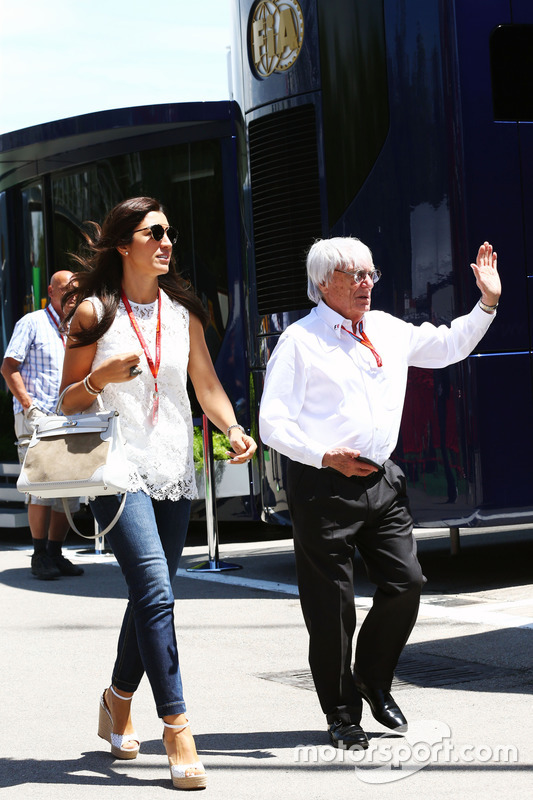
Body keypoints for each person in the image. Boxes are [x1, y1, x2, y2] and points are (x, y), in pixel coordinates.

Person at [259, 236, 501, 749]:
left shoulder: (388, 329)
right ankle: (342, 714)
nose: (366, 284)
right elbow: (271, 424)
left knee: (407, 580)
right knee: (332, 608)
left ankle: (372, 677)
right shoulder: (300, 342)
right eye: (354, 275)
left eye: (371, 274)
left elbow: (450, 345)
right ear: (324, 283)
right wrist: (325, 456)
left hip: (380, 478)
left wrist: (488, 302)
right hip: (323, 483)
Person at [59, 196, 256, 790]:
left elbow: (206, 384)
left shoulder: (183, 313)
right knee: (152, 585)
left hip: (172, 464)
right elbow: (67, 399)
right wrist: (99, 377)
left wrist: (233, 429)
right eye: (154, 233)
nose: (167, 241)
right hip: (116, 469)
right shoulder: (94, 312)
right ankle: (177, 725)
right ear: (124, 244)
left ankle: (118, 700)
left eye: (169, 232)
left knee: (155, 592)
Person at [1, 270, 83, 580]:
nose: (71, 297)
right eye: (66, 290)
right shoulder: (32, 322)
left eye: (76, 291)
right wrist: (28, 406)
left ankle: (55, 553)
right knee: (40, 488)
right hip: (37, 417)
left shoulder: (77, 327)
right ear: (51, 291)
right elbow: (9, 367)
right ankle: (38, 555)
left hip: (68, 418)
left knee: (69, 491)